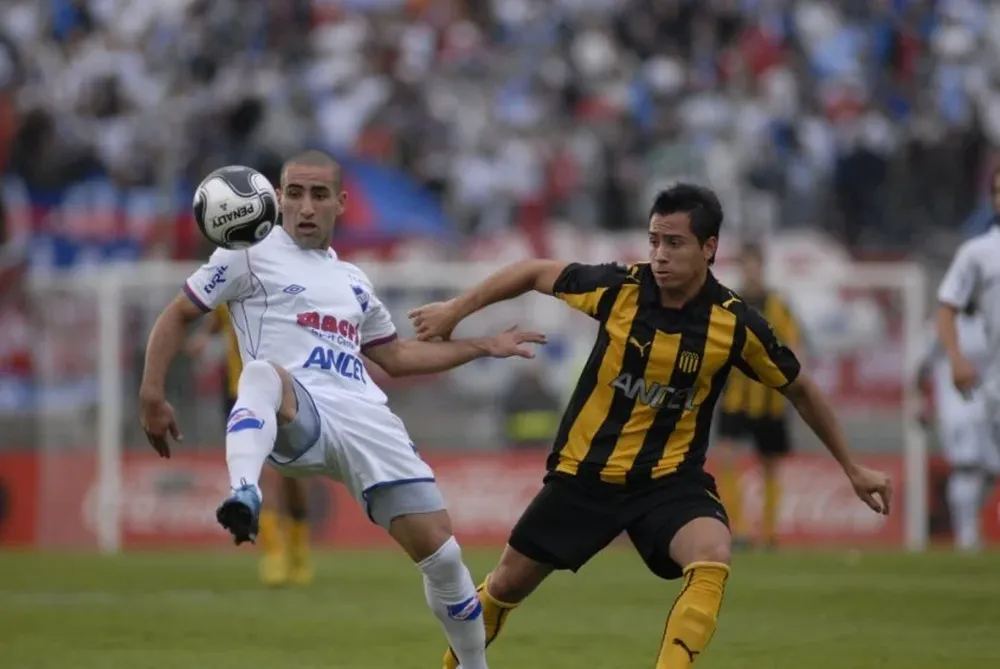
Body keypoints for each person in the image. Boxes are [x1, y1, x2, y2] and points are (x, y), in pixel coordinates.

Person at [409, 184, 892, 669]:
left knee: (712, 551)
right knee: (507, 584)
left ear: (709, 248)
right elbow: (534, 272)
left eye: (674, 243)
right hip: (585, 476)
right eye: (654, 241)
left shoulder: (734, 325)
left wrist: (851, 467)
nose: (660, 255)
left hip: (668, 482)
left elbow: (800, 388)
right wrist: (456, 309)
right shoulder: (619, 289)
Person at [139, 150, 547, 669]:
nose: (305, 206)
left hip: (365, 420)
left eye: (318, 194)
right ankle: (244, 491)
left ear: (341, 203)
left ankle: (473, 667)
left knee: (443, 557)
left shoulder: (355, 281)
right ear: (277, 198)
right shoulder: (245, 252)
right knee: (261, 373)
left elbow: (396, 357)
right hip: (294, 412)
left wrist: (482, 345)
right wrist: (152, 394)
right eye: (294, 193)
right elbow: (177, 316)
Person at [188, 303, 314, 586]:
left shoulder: (285, 285)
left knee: (295, 477)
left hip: (288, 390)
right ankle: (276, 552)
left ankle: (298, 550)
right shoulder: (234, 278)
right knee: (263, 473)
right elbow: (222, 314)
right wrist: (204, 337)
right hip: (241, 392)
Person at [713, 242, 802, 550]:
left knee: (770, 464)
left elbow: (792, 344)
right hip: (735, 395)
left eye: (755, 264)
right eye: (746, 264)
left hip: (770, 397)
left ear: (762, 266)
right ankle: (738, 529)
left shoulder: (778, 304)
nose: (751, 270)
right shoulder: (728, 302)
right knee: (726, 456)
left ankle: (769, 533)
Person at [918, 302, 997, 551]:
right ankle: (966, 536)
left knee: (990, 472)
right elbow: (922, 367)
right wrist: (921, 405)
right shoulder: (942, 324)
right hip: (958, 409)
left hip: (990, 409)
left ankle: (972, 531)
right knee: (966, 469)